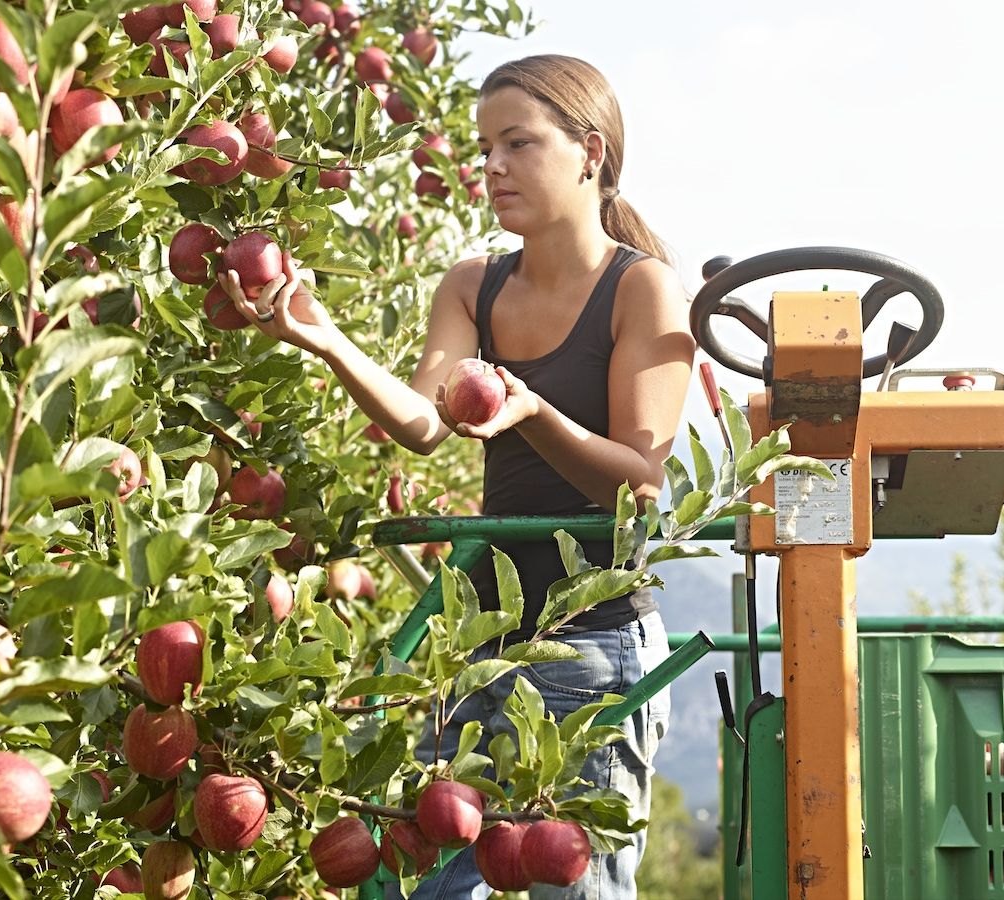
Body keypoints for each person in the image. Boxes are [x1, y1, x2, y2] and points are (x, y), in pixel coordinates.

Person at [219, 54, 694, 900]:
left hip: (593, 641)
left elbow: (640, 483)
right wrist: (324, 339)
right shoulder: (474, 285)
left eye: (517, 143)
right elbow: (425, 423)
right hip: (474, 644)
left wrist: (534, 413)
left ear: (589, 151)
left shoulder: (641, 289)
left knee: (571, 891)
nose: (492, 168)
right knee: (431, 884)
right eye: (482, 150)